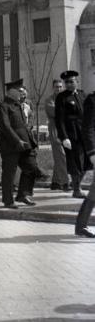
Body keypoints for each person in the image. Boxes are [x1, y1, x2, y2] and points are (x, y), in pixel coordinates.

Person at [0, 79, 38, 209]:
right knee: (9, 173)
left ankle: (23, 194)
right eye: (18, 90)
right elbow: (5, 126)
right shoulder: (3, 106)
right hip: (10, 145)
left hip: (25, 144)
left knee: (31, 168)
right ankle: (8, 200)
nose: (21, 93)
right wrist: (16, 140)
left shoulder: (18, 105)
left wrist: (30, 141)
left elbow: (23, 125)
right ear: (10, 92)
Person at [55, 70, 87, 198]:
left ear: (77, 82)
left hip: (84, 133)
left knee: (85, 161)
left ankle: (79, 185)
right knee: (75, 161)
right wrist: (64, 137)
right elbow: (59, 119)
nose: (68, 84)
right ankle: (76, 189)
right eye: (66, 82)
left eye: (71, 81)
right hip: (71, 134)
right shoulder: (62, 97)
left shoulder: (82, 94)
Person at [76, 89, 95, 237]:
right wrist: (92, 153)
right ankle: (81, 225)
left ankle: (81, 225)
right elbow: (87, 129)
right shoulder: (92, 100)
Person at [44, 79, 69, 190]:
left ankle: (55, 182)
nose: (58, 89)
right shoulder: (49, 100)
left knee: (60, 157)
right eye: (56, 87)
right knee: (62, 156)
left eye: (60, 86)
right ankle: (65, 182)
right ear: (53, 88)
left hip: (65, 131)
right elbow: (55, 112)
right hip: (55, 131)